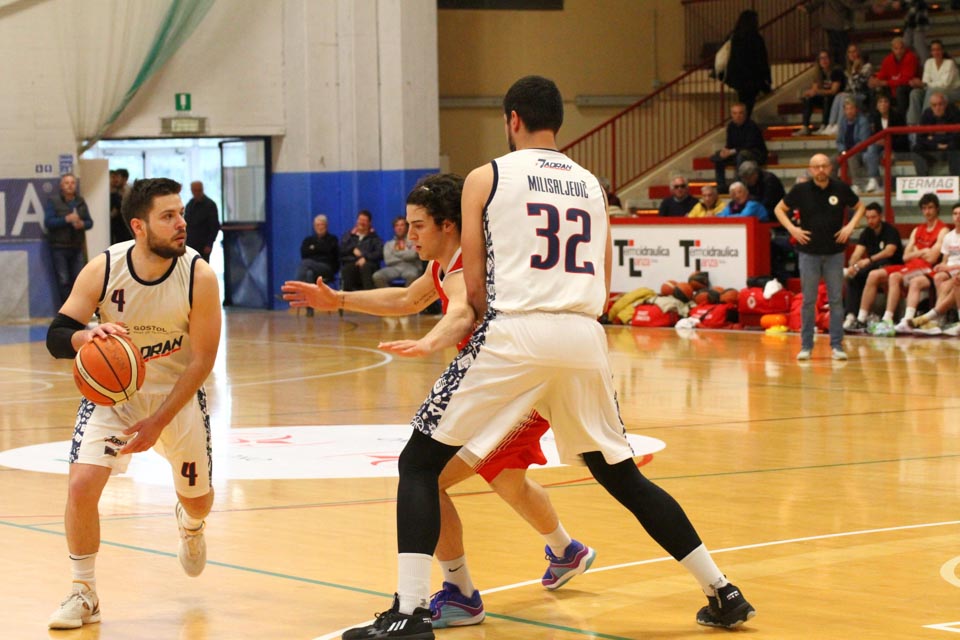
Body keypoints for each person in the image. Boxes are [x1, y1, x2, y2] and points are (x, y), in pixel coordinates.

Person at [339, 75, 756, 640]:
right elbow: (604, 277)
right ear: (556, 120)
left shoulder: (487, 176)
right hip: (584, 334)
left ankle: (410, 612)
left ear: (512, 119)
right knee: (622, 477)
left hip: (517, 330)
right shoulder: (591, 185)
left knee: (418, 464)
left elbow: (477, 285)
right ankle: (722, 591)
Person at [284, 173, 594, 629]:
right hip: (509, 388)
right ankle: (567, 551)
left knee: (428, 478)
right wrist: (341, 299)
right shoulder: (445, 264)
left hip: (517, 389)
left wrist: (430, 341)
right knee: (506, 479)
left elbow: (460, 312)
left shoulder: (469, 264)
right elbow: (409, 299)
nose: (409, 235)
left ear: (448, 225)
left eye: (418, 225)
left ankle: (461, 592)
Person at [44, 178, 221, 629]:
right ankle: (84, 592)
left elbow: (202, 360)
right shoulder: (104, 269)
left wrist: (158, 421)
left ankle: (190, 523)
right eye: (168, 216)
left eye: (181, 214)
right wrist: (86, 336)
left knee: (200, 502)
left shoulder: (199, 275)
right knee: (81, 486)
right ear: (139, 226)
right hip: (114, 397)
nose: (181, 224)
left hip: (178, 396)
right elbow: (57, 335)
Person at [774, 153, 864, 361]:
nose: (821, 170)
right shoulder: (801, 190)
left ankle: (837, 346)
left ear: (830, 168)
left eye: (824, 166)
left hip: (835, 253)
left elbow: (860, 207)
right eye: (816, 166)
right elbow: (779, 209)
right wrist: (792, 229)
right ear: (810, 169)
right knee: (808, 301)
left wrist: (850, 226)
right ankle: (806, 346)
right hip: (809, 253)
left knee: (835, 300)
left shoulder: (840, 188)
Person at [856, 193, 947, 334]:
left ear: (937, 209)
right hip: (910, 266)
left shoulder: (942, 230)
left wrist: (915, 251)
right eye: (924, 208)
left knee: (895, 277)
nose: (927, 211)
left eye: (930, 208)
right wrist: (922, 251)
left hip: (926, 268)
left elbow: (932, 258)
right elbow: (905, 257)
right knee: (874, 274)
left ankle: (893, 319)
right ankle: (861, 319)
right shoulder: (917, 230)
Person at [843, 202, 903, 331]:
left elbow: (889, 251)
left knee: (871, 273)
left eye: (873, 217)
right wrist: (852, 265)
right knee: (853, 277)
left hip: (891, 264)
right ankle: (851, 315)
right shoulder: (866, 232)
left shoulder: (890, 230)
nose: (870, 221)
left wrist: (869, 260)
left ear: (880, 216)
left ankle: (863, 317)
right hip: (873, 265)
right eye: (868, 218)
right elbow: (857, 253)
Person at [908, 202, 960, 332]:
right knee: (939, 277)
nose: (958, 216)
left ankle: (934, 319)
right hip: (951, 271)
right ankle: (936, 319)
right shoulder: (949, 236)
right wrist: (942, 266)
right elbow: (945, 260)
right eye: (955, 214)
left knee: (954, 283)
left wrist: (949, 268)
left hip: (956, 271)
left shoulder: (943, 230)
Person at [45, 173, 94, 305]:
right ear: (61, 186)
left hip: (77, 247)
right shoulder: (54, 201)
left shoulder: (80, 201)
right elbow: (48, 222)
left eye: (72, 183)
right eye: (67, 183)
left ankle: (78, 309)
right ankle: (67, 310)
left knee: (79, 280)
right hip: (59, 247)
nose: (70, 185)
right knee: (64, 281)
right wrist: (66, 220)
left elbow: (90, 222)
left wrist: (82, 224)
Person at [722, 9, 771, 118]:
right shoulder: (756, 38)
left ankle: (742, 121)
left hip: (739, 77)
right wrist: (767, 78)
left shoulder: (735, 37)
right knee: (748, 104)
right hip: (752, 77)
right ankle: (744, 122)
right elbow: (762, 59)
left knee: (743, 101)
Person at [710, 103, 767, 193]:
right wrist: (725, 151)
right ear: (731, 115)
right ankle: (721, 186)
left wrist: (731, 151)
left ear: (745, 114)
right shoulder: (731, 126)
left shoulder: (752, 126)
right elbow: (730, 144)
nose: (738, 116)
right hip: (737, 152)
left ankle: (738, 185)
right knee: (718, 156)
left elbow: (749, 145)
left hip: (755, 153)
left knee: (742, 154)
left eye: (740, 113)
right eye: (735, 113)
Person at [823, 43, 874, 134]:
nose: (852, 54)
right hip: (852, 94)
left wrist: (854, 70)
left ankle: (840, 125)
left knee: (844, 97)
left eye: (854, 51)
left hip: (862, 95)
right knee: (839, 96)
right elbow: (849, 87)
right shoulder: (848, 68)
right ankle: (831, 124)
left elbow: (857, 85)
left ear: (859, 53)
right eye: (850, 52)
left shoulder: (867, 66)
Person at [907, 39, 960, 125]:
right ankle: (912, 124)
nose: (936, 52)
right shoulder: (929, 62)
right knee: (915, 93)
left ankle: (924, 122)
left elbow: (944, 84)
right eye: (933, 50)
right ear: (931, 52)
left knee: (932, 91)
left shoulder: (949, 63)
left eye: (938, 49)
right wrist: (919, 84)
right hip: (931, 89)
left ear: (942, 51)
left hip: (953, 91)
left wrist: (925, 84)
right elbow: (925, 80)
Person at [296, 214, 339, 316]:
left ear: (326, 226)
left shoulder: (332, 239)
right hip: (312, 268)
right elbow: (304, 253)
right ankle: (310, 308)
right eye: (317, 225)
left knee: (306, 263)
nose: (319, 227)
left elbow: (330, 254)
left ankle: (295, 289)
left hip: (327, 268)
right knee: (309, 274)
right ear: (314, 226)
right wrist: (319, 250)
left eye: (321, 225)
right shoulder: (308, 240)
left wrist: (314, 249)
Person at [795, 50, 845, 136]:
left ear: (830, 59)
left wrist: (818, 91)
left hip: (836, 99)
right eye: (821, 58)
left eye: (826, 58)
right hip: (824, 97)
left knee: (826, 98)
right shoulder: (819, 72)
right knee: (809, 99)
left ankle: (824, 125)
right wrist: (810, 93)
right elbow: (815, 89)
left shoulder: (836, 71)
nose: (824, 61)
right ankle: (805, 127)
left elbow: (833, 91)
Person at [868, 36, 919, 117]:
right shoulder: (888, 59)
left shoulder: (911, 57)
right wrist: (875, 81)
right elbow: (882, 75)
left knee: (900, 89)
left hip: (908, 87)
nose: (899, 51)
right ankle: (875, 119)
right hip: (892, 88)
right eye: (896, 49)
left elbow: (906, 80)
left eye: (901, 48)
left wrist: (885, 83)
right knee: (874, 90)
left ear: (905, 48)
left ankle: (901, 119)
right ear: (892, 49)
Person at [912, 92, 960, 177]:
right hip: (937, 145)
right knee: (916, 147)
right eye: (934, 105)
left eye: (940, 104)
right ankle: (922, 176)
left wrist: (933, 138)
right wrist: (937, 144)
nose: (937, 108)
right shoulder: (927, 113)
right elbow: (920, 138)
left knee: (954, 145)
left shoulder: (954, 112)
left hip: (950, 145)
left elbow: (956, 136)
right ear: (931, 106)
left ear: (945, 104)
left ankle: (955, 176)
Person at [339, 209, 383, 291]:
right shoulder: (348, 236)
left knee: (366, 268)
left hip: (368, 264)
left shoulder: (374, 238)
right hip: (351, 262)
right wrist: (352, 249)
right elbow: (342, 250)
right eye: (360, 220)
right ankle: (348, 296)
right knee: (348, 269)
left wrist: (365, 258)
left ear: (369, 223)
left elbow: (379, 253)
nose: (362, 223)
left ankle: (367, 296)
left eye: (364, 220)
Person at [373, 216, 423, 288]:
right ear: (394, 228)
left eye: (402, 225)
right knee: (377, 276)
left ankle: (407, 295)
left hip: (411, 267)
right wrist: (406, 254)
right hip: (394, 268)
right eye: (397, 225)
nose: (399, 228)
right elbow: (388, 260)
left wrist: (395, 253)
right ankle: (391, 295)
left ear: (406, 227)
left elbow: (412, 255)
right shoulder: (389, 244)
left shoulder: (413, 241)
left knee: (413, 275)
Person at [835, 98, 872, 193]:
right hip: (845, 151)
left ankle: (857, 185)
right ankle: (833, 186)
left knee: (851, 157)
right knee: (830, 161)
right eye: (847, 109)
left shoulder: (863, 121)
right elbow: (839, 141)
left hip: (860, 151)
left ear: (856, 109)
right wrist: (843, 151)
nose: (849, 111)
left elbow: (863, 142)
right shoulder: (843, 121)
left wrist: (850, 152)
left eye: (851, 108)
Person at [184, 181, 220, 262]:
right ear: (192, 191)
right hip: (190, 244)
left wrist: (209, 244)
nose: (197, 193)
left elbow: (214, 226)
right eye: (195, 190)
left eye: (199, 190)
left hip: (203, 245)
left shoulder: (210, 205)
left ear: (202, 190)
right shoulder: (190, 205)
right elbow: (186, 223)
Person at [108, 170, 132, 244]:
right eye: (113, 177)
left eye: (117, 177)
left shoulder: (128, 192)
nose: (116, 180)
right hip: (115, 226)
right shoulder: (111, 193)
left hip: (123, 226)